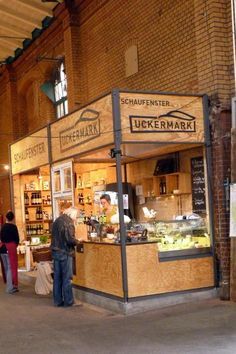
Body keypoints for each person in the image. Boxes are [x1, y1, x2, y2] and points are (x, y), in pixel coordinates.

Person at [51, 206, 80, 307]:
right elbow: (69, 239)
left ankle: (57, 301)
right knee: (67, 278)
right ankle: (69, 301)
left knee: (57, 278)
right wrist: (78, 241)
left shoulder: (57, 220)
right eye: (76, 216)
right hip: (65, 253)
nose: (76, 218)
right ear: (73, 214)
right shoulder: (69, 223)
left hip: (55, 252)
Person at [0, 211, 19, 293]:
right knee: (11, 268)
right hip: (10, 248)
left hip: (2, 249)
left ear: (6, 218)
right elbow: (17, 239)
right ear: (13, 218)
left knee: (6, 268)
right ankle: (10, 288)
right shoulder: (14, 227)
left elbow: (1, 238)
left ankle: (10, 285)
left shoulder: (3, 227)